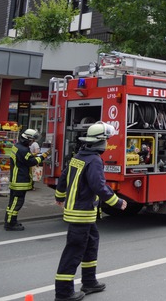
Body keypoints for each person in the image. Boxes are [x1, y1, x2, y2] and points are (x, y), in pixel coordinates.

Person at [54, 121, 127, 301]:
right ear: (100, 142)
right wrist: (117, 202)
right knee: (74, 250)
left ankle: (89, 281)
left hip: (83, 212)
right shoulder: (94, 160)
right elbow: (98, 186)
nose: (107, 144)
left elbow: (63, 178)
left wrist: (59, 196)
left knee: (91, 242)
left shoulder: (78, 157)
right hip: (82, 213)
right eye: (106, 140)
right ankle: (63, 293)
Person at [5, 128, 49, 231]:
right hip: (20, 180)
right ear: (27, 139)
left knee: (12, 202)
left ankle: (10, 220)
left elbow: (25, 159)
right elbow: (32, 161)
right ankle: (10, 224)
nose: (32, 142)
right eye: (32, 140)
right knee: (17, 203)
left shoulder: (17, 146)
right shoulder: (23, 150)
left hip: (15, 179)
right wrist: (44, 156)